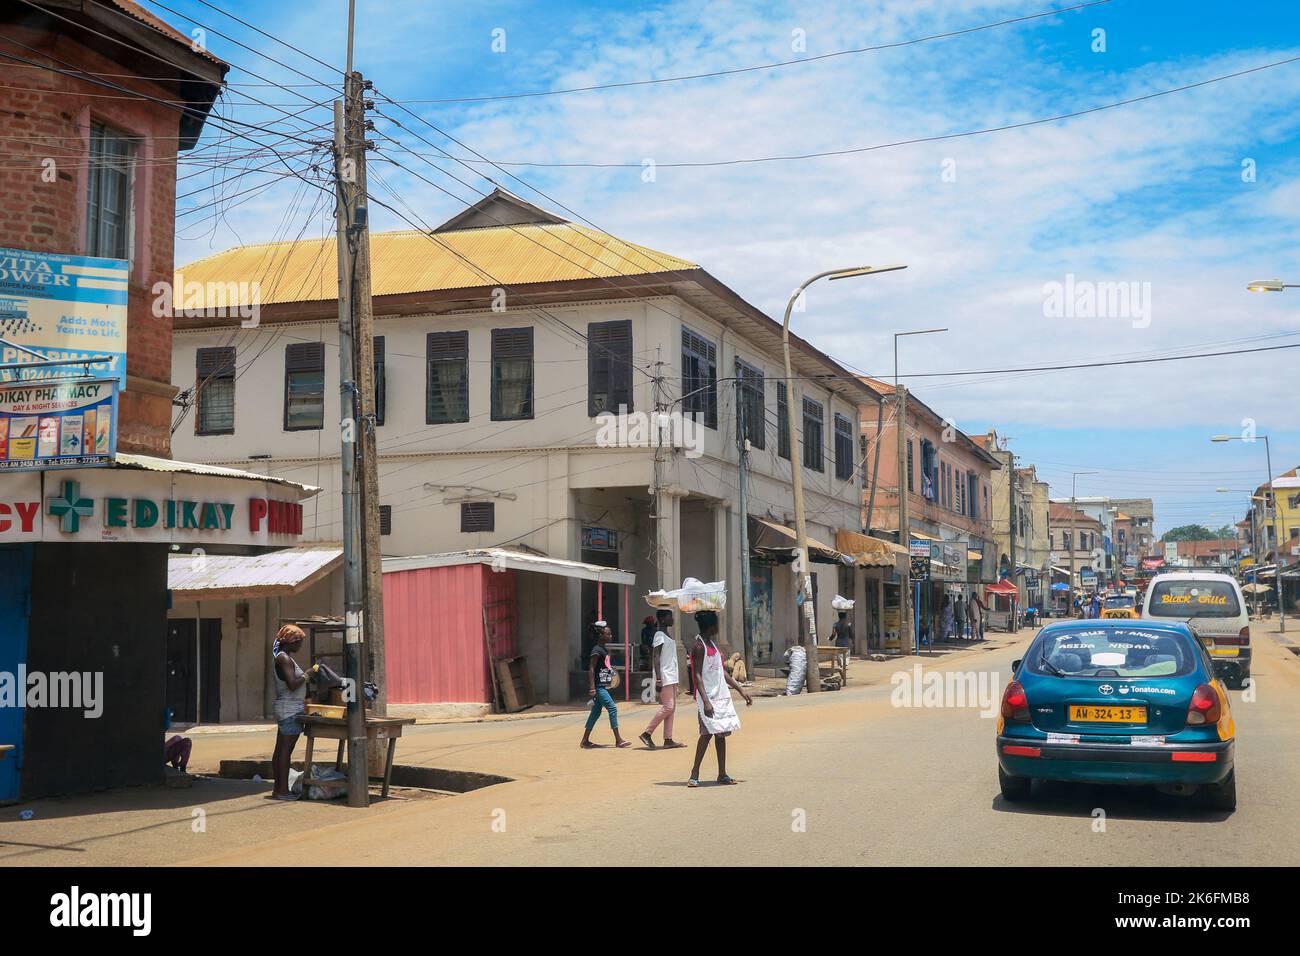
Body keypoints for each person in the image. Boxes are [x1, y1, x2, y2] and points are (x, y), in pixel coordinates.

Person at [687, 610, 752, 788]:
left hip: (720, 695)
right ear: (711, 626)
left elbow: (721, 672)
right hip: (707, 697)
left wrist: (740, 690)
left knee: (721, 734)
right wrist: (706, 701)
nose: (718, 627)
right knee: (706, 734)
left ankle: (722, 773)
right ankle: (694, 774)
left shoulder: (713, 645)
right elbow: (697, 675)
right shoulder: (699, 646)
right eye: (716, 624)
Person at [271, 624, 319, 800]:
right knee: (285, 750)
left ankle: (278, 789)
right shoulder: (283, 659)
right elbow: (292, 684)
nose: (300, 646)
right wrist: (307, 674)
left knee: (281, 750)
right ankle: (282, 791)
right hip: (289, 708)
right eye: (299, 642)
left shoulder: (283, 657)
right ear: (291, 641)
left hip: (287, 707)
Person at [639, 608, 684, 750]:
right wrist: (658, 677)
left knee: (672, 708)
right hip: (664, 675)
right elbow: (656, 656)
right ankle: (647, 732)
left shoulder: (666, 634)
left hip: (671, 675)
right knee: (668, 707)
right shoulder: (659, 634)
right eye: (670, 617)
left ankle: (668, 739)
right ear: (663, 619)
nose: (673, 619)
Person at [581, 621, 630, 749]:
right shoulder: (597, 650)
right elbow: (591, 668)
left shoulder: (603, 650)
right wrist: (592, 687)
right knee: (612, 708)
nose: (611, 636)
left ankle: (585, 740)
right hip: (598, 686)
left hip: (602, 685)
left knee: (595, 712)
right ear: (601, 635)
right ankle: (618, 740)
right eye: (608, 634)